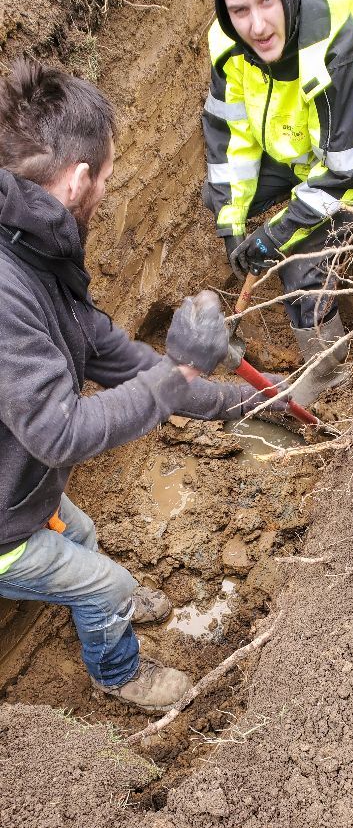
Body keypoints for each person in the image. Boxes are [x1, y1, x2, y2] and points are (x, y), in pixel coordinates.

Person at [0, 58, 285, 713]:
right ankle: (118, 672)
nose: (107, 185)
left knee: (82, 535)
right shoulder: (7, 288)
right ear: (76, 181)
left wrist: (240, 398)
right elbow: (57, 429)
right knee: (102, 585)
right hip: (2, 526)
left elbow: (112, 354)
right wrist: (180, 372)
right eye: (105, 174)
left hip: (19, 489)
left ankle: (110, 596)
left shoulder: (35, 247)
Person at [202, 0, 353, 403]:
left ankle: (327, 372)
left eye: (267, 1)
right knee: (221, 197)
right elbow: (231, 137)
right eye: (240, 10)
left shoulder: (344, 48)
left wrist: (275, 237)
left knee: (299, 269)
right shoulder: (228, 45)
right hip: (297, 144)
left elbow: (340, 175)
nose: (257, 26)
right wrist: (234, 230)